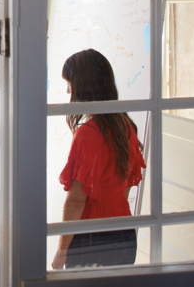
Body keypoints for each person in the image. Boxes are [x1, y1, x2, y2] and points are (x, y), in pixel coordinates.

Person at [51, 49, 146, 270]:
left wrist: (61, 251)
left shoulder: (88, 133)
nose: (68, 90)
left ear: (84, 86)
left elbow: (76, 201)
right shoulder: (127, 125)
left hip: (92, 237)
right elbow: (125, 189)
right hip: (124, 234)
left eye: (70, 83)